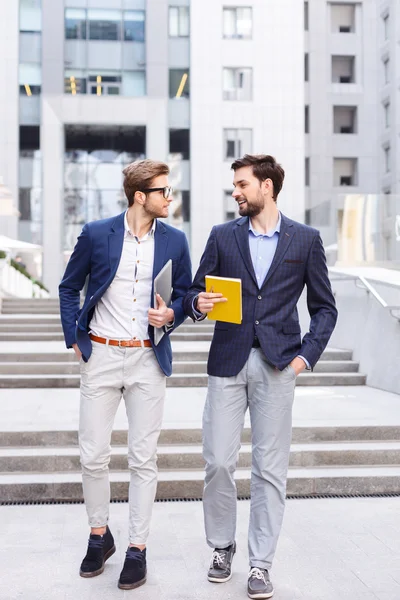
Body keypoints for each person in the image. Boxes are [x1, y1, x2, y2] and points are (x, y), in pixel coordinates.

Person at [184, 154, 337, 599]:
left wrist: (303, 359)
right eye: (235, 185)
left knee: (270, 470)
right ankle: (222, 545)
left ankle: (260, 563)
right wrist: (199, 305)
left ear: (267, 187)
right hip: (227, 361)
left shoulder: (305, 240)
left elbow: (325, 308)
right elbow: (195, 291)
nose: (236, 191)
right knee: (216, 461)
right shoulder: (222, 236)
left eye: (242, 184)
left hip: (278, 364)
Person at [59, 159, 191, 591]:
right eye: (163, 191)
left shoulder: (176, 240)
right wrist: (73, 336)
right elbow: (68, 286)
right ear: (141, 196)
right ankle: (100, 536)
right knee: (92, 454)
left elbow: (187, 293)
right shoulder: (98, 233)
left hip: (148, 360)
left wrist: (172, 312)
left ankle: (138, 546)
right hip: (101, 356)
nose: (170, 198)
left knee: (142, 458)